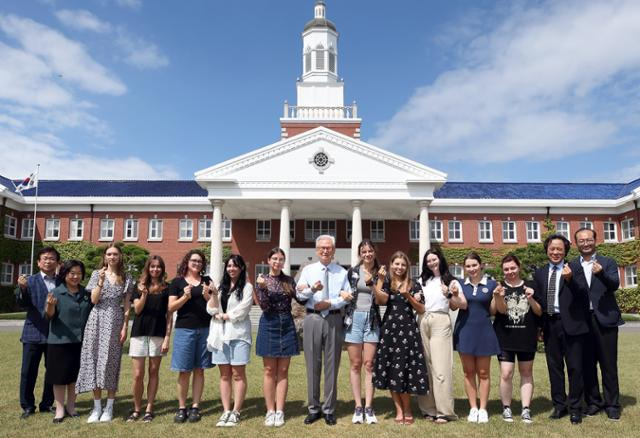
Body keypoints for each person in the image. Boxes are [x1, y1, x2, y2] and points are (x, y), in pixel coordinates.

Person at [533, 234, 590, 425]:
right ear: (547, 250)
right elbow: (540, 301)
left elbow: (583, 294)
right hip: (550, 324)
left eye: (559, 249)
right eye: (552, 249)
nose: (555, 252)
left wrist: (571, 279)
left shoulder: (575, 268)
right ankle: (559, 405)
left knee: (575, 367)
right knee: (554, 368)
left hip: (572, 325)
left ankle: (575, 408)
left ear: (565, 251)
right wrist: (540, 327)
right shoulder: (540, 273)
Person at [76, 243, 133, 423]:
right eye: (109, 254)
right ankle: (97, 407)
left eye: (115, 254)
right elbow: (93, 300)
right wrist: (100, 281)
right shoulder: (96, 274)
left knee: (111, 361)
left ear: (120, 256)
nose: (112, 257)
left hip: (115, 319)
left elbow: (127, 305)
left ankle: (109, 406)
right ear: (105, 256)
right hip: (97, 318)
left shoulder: (127, 277)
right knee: (94, 360)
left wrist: (125, 326)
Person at [296, 235, 349, 426]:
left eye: (328, 248)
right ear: (316, 250)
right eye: (321, 248)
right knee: (312, 365)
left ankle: (329, 409)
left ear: (333, 250)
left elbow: (347, 296)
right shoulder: (308, 270)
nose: (325, 251)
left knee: (332, 365)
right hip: (312, 318)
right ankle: (313, 408)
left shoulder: (342, 272)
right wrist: (312, 289)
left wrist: (330, 302)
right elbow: (299, 292)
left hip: (334, 318)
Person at [572, 228, 623, 420]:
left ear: (595, 240)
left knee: (608, 364)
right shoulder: (572, 265)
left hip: (605, 319)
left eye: (589, 240)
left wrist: (601, 273)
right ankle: (594, 402)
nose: (586, 243)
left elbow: (614, 285)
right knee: (587, 364)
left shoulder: (608, 262)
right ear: (576, 243)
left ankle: (612, 404)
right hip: (583, 321)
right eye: (581, 241)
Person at [372, 251, 428, 425]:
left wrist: (407, 295)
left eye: (403, 265)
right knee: (392, 370)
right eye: (396, 264)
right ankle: (398, 410)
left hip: (408, 331)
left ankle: (408, 408)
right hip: (389, 331)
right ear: (391, 264)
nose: (399, 267)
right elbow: (380, 301)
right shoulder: (386, 282)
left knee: (405, 370)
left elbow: (421, 309)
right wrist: (379, 281)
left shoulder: (414, 284)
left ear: (407, 267)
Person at [255, 247, 303, 427]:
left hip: (287, 323)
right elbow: (265, 306)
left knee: (283, 371)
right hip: (269, 323)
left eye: (281, 259)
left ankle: (280, 411)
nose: (277, 262)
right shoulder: (262, 280)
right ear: (268, 260)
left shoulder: (289, 280)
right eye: (274, 258)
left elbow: (301, 299)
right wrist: (262, 289)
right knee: (269, 370)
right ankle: (270, 411)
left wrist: (310, 288)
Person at [451, 251, 501, 424]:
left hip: (484, 332)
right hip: (464, 332)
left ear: (481, 265)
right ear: (464, 268)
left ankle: (483, 408)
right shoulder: (459, 284)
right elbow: (453, 305)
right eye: (468, 266)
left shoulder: (492, 283)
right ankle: (473, 408)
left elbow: (494, 310)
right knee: (468, 372)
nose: (471, 269)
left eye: (474, 265)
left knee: (484, 373)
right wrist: (454, 294)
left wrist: (497, 296)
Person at [492, 254, 542, 423]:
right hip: (505, 336)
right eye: (506, 269)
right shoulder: (499, 286)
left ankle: (526, 409)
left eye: (513, 268)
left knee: (526, 372)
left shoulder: (531, 285)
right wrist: (498, 296)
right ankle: (506, 408)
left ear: (518, 267)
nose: (510, 272)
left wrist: (531, 298)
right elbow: (499, 311)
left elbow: (538, 311)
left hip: (526, 336)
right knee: (506, 373)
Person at [206, 254, 254, 427]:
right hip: (220, 334)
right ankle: (226, 410)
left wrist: (224, 316)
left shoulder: (247, 287)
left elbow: (243, 310)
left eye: (235, 266)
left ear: (241, 268)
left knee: (237, 374)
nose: (231, 269)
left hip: (238, 335)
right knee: (224, 375)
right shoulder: (219, 286)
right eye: (229, 266)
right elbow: (210, 308)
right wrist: (213, 296)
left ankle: (236, 411)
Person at [168, 249, 214, 423]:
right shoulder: (177, 282)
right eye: (194, 260)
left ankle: (195, 407)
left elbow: (214, 304)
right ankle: (181, 407)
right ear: (187, 262)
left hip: (204, 329)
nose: (197, 264)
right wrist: (185, 297)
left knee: (200, 369)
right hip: (184, 330)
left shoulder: (207, 281)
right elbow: (171, 308)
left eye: (200, 261)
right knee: (184, 370)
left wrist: (208, 295)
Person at [43, 260, 92, 423]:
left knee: (74, 377)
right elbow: (49, 316)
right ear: (65, 274)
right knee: (59, 377)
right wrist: (50, 306)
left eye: (79, 273)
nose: (76, 276)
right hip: (59, 342)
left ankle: (71, 406)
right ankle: (59, 409)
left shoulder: (86, 293)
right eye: (72, 273)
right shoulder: (56, 293)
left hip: (80, 342)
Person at [15, 247, 58, 418]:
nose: (48, 261)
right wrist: (22, 289)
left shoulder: (62, 282)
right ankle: (27, 405)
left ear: (57, 262)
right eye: (45, 258)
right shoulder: (29, 281)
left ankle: (47, 403)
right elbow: (22, 304)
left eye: (52, 258)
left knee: (52, 370)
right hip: (33, 332)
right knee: (28, 371)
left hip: (55, 333)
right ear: (39, 262)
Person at [127, 255, 172, 423]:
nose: (155, 269)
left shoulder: (167, 288)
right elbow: (137, 310)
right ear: (148, 268)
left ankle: (149, 408)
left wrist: (167, 337)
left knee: (153, 372)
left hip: (158, 333)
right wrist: (144, 294)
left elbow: (169, 315)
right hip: (139, 333)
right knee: (138, 374)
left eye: (158, 266)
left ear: (162, 269)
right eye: (152, 266)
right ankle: (136, 409)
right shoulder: (137, 287)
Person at [342, 239, 381, 425]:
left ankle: (369, 406)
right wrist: (343, 294)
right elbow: (343, 291)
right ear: (360, 254)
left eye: (370, 250)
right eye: (364, 251)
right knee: (355, 364)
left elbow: (382, 299)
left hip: (372, 320)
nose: (367, 254)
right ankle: (358, 406)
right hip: (354, 319)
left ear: (374, 252)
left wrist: (375, 282)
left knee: (369, 364)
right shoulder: (352, 272)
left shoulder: (380, 272)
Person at [416, 248, 457, 424]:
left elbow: (457, 304)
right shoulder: (421, 281)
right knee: (425, 366)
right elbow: (417, 301)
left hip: (441, 320)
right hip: (423, 320)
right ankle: (428, 409)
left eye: (434, 259)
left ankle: (443, 411)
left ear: (440, 259)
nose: (431, 263)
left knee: (441, 368)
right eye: (428, 261)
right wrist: (416, 297)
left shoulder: (451, 280)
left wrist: (449, 293)